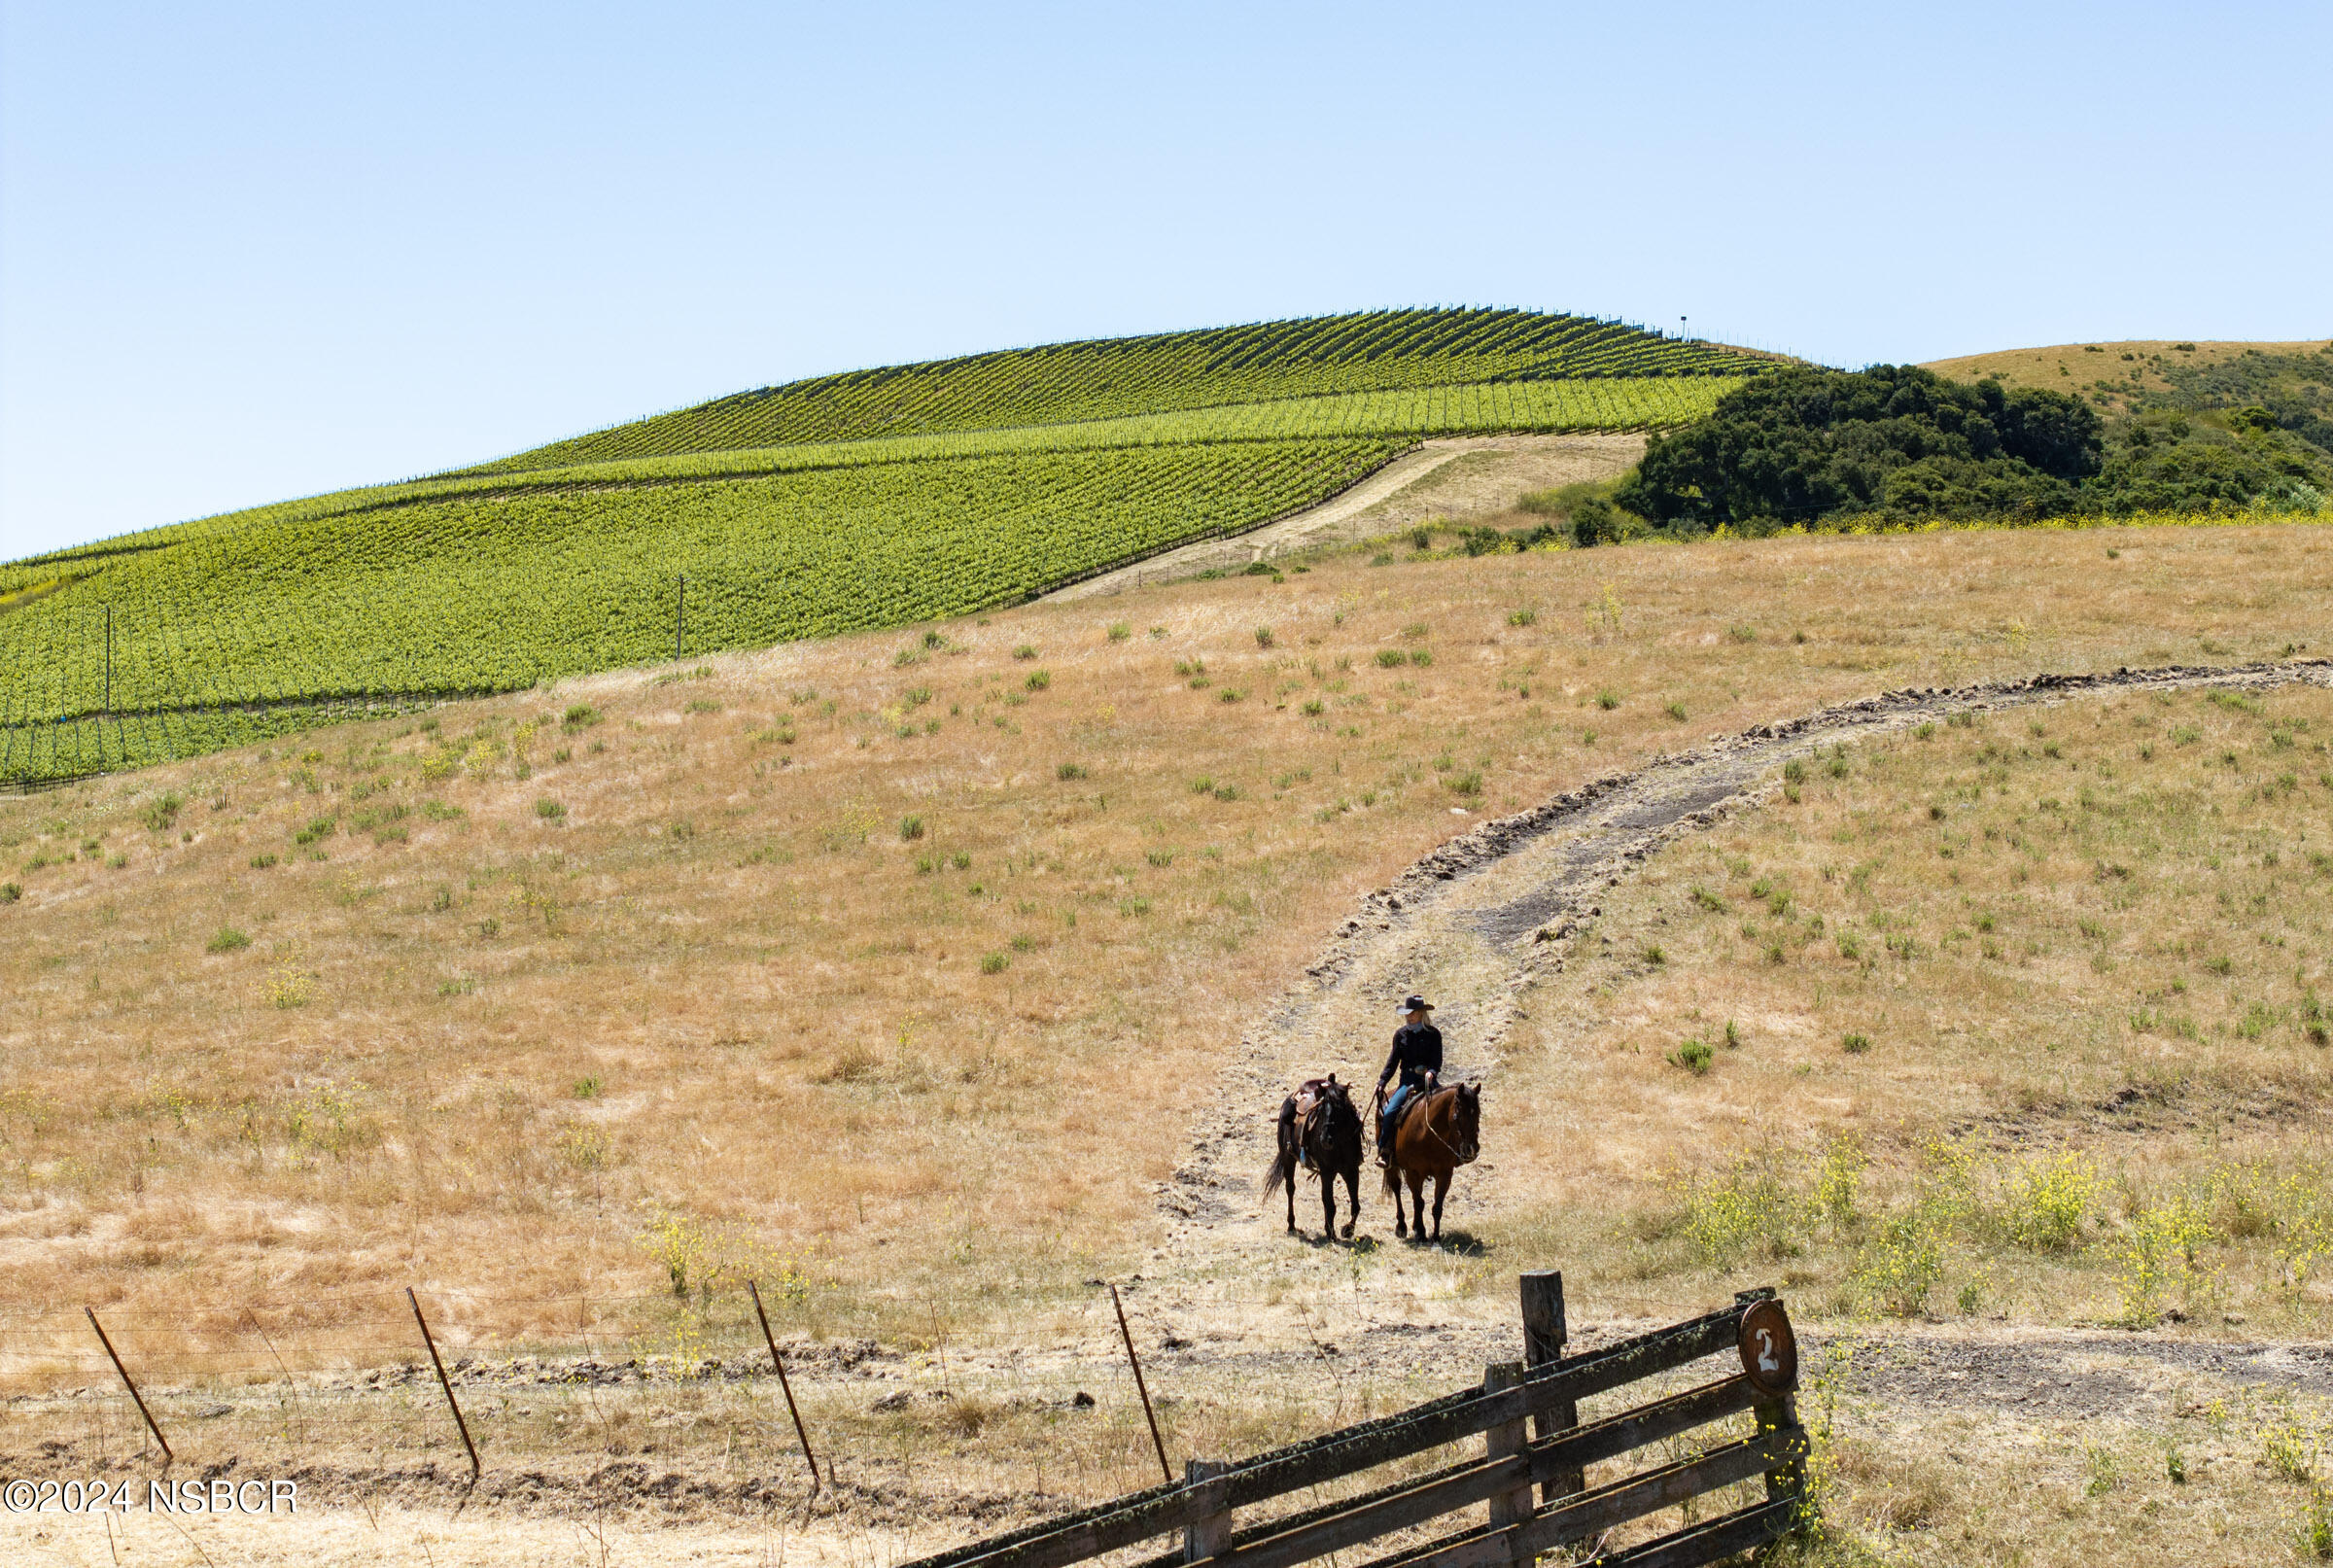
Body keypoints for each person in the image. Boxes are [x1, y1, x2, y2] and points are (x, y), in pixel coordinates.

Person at [1375, 995, 1443, 1166]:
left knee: (1447, 1109)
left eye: (1413, 1013)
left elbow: (1436, 1060)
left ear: (1421, 1013)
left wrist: (1432, 1072)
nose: (1409, 1016)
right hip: (1407, 1082)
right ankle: (1385, 1151)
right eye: (1407, 1013)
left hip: (1428, 1081)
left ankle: (1452, 1151)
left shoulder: (1434, 1034)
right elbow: (1393, 1062)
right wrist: (1382, 1081)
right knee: (1390, 1112)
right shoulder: (1401, 1035)